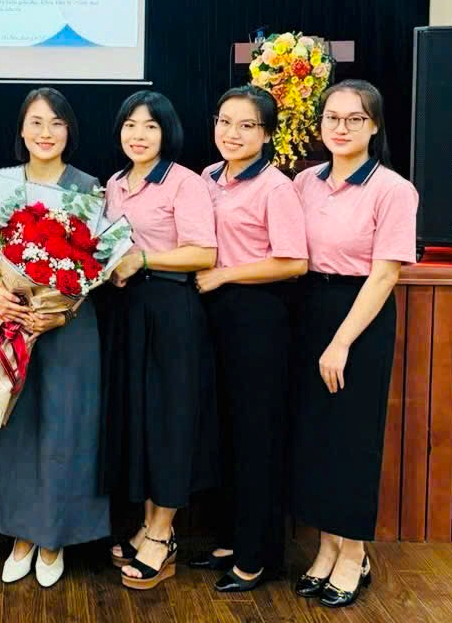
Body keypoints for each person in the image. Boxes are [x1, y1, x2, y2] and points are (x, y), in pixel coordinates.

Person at [0, 88, 111, 588]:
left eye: (56, 123)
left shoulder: (87, 187)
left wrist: (59, 314)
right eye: (36, 123)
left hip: (68, 330)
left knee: (66, 430)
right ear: (22, 131)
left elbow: (95, 263)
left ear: (69, 131)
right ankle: (20, 535)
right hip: (15, 323)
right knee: (16, 431)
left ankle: (52, 538)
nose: (46, 133)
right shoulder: (4, 183)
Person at [290, 80, 417, 609]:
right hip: (308, 308)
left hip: (359, 318)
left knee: (352, 440)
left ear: (374, 126)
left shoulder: (393, 189)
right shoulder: (304, 181)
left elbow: (385, 274)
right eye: (332, 118)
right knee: (316, 437)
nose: (340, 128)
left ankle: (354, 553)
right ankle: (326, 546)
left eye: (354, 119)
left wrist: (341, 342)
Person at [98, 90, 218, 591]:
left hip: (171, 309)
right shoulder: (114, 183)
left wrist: (143, 260)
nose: (138, 135)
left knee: (169, 420)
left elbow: (204, 253)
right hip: (127, 310)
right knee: (140, 419)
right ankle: (147, 524)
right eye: (130, 125)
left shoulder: (185, 183)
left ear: (167, 132)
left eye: (150, 126)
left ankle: (163, 533)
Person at [190, 86, 308, 592]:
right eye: (225, 122)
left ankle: (256, 557)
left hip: (258, 317)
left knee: (256, 436)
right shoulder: (207, 177)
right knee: (224, 431)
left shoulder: (276, 188)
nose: (232, 133)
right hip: (214, 313)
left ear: (267, 134)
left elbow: (294, 261)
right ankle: (230, 540)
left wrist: (226, 274)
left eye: (246, 125)